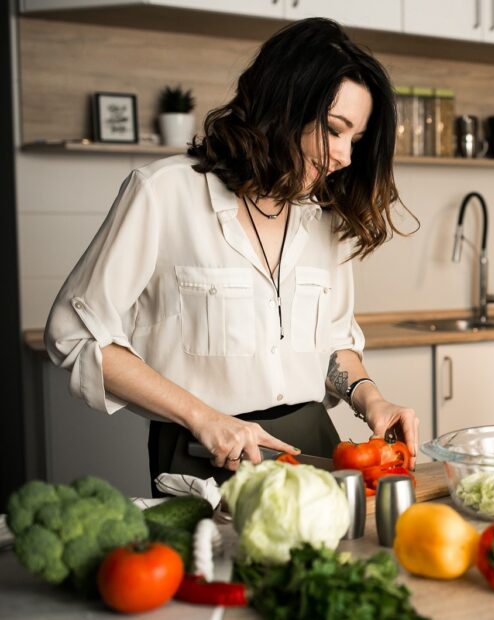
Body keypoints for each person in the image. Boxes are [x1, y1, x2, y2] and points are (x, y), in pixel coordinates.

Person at [44, 18, 419, 488]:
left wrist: (371, 399)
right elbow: (76, 334)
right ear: (283, 106)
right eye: (334, 129)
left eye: (355, 141)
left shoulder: (324, 216)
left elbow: (330, 343)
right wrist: (202, 416)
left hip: (316, 446)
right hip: (206, 454)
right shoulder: (164, 193)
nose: (344, 155)